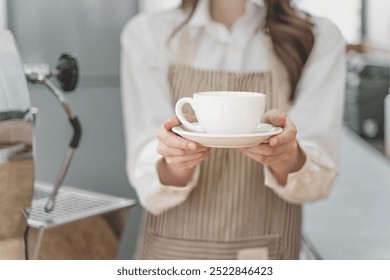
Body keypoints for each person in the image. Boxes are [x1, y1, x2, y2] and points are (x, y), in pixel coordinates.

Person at [120, 0, 345, 259]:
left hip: (268, 252)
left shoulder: (318, 37)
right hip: (170, 255)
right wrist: (176, 160)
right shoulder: (148, 34)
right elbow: (146, 177)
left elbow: (319, 180)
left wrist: (285, 155)